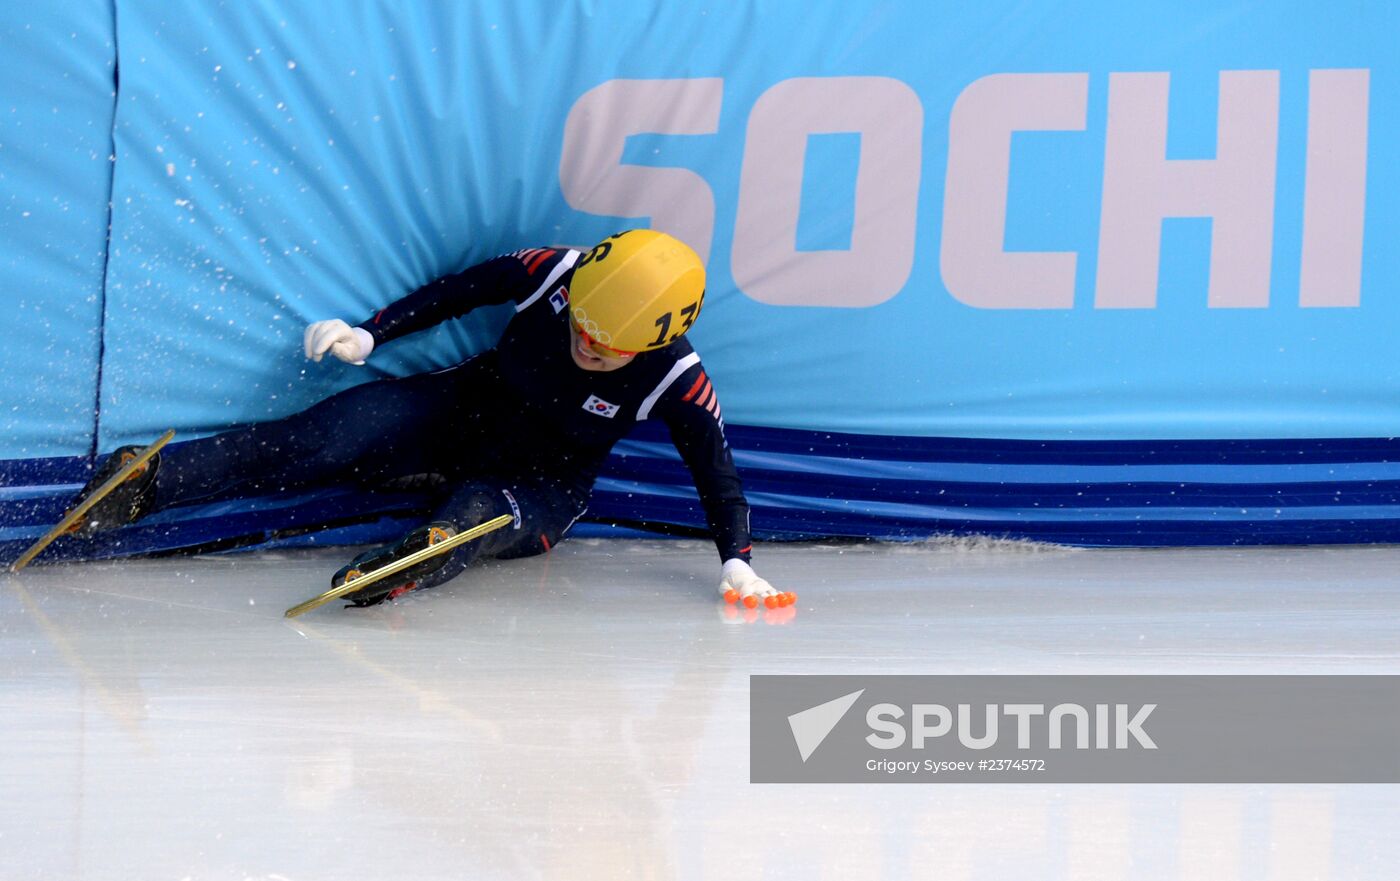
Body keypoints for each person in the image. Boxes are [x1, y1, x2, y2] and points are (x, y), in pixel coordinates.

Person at [63, 229, 791, 609]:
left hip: (541, 483)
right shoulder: (554, 269)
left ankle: (411, 562)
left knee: (474, 516)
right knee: (326, 435)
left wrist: (736, 559)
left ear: (654, 341)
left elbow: (715, 471)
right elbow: (460, 290)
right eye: (583, 322)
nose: (586, 342)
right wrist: (372, 333)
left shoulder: (679, 377)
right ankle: (150, 482)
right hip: (462, 409)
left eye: (606, 344)